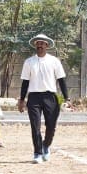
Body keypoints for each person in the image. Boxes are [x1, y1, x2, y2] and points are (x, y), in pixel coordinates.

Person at [18, 33, 69, 163]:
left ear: (47, 45)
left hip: (50, 96)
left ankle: (46, 145)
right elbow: (25, 82)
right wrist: (22, 100)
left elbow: (61, 80)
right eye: (38, 43)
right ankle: (37, 152)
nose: (40, 45)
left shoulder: (54, 61)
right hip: (34, 97)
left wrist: (66, 98)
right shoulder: (29, 62)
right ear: (35, 45)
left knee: (51, 126)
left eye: (42, 43)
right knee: (35, 126)